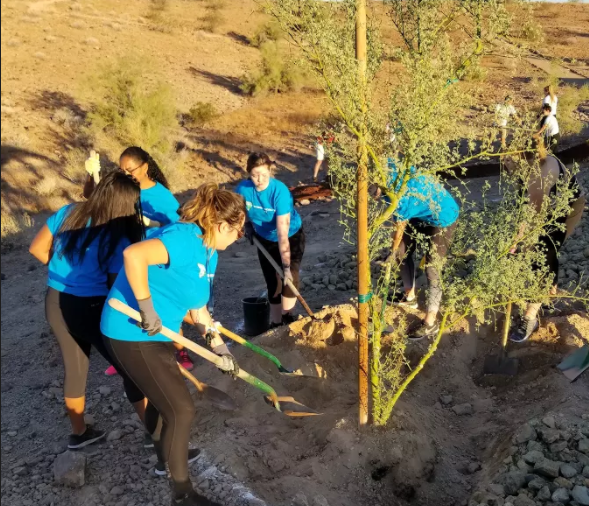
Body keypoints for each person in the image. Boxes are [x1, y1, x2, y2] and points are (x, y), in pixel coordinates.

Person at [101, 183, 244, 506]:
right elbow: (132, 255)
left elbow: (198, 309)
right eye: (237, 231)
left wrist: (219, 347)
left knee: (166, 401)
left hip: (159, 335)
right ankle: (182, 493)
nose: (238, 238)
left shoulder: (209, 252)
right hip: (131, 333)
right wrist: (146, 306)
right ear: (221, 225)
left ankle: (161, 460)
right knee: (181, 409)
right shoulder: (182, 239)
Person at [29, 172, 147, 449]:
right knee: (131, 368)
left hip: (55, 300)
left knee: (75, 366)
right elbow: (115, 286)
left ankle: (79, 433)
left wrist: (68, 276)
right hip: (90, 307)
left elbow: (36, 248)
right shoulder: (117, 237)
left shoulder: (69, 212)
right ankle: (155, 434)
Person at [87, 147, 195, 374]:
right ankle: (126, 350)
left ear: (145, 167)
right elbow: (92, 197)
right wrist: (90, 174)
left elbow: (177, 230)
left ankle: (180, 349)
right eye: (121, 169)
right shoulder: (121, 189)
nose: (126, 174)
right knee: (125, 302)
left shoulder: (162, 197)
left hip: (149, 263)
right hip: (120, 257)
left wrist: (152, 224)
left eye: (130, 169)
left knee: (160, 307)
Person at [505, 153, 584, 342]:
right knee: (544, 251)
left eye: (508, 159)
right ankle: (547, 298)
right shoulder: (521, 168)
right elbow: (522, 203)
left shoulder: (542, 172)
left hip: (566, 207)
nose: (504, 164)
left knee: (542, 254)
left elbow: (534, 215)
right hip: (544, 205)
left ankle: (529, 318)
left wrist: (516, 241)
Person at [386, 161, 460, 340]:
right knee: (401, 252)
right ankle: (409, 296)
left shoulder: (401, 198)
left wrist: (390, 253)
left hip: (443, 217)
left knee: (432, 268)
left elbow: (398, 231)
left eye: (373, 193)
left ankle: (430, 322)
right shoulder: (387, 169)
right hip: (420, 212)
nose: (372, 197)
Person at [237, 153, 305, 328]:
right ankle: (275, 324)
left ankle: (287, 317)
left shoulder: (279, 192)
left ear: (270, 171)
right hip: (264, 238)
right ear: (248, 173)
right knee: (272, 280)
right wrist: (247, 225)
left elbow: (283, 234)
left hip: (290, 236)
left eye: (264, 175)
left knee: (290, 279)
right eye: (254, 175)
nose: (259, 179)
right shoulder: (243, 190)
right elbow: (238, 211)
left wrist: (287, 267)